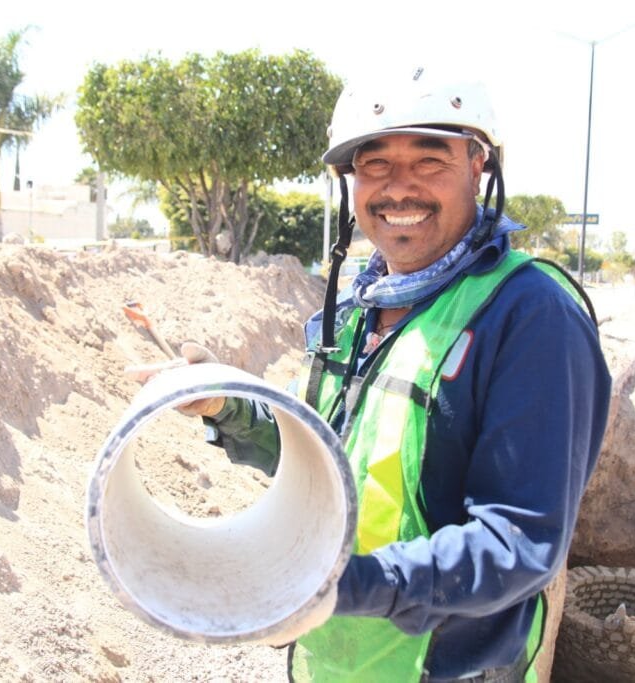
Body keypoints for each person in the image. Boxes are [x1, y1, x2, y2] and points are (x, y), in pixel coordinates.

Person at [176, 68, 611, 682]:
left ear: (478, 165)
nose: (398, 188)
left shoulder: (531, 318)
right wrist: (227, 407)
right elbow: (328, 466)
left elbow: (519, 545)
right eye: (375, 164)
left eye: (430, 160)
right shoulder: (358, 311)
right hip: (333, 660)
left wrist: (339, 585)